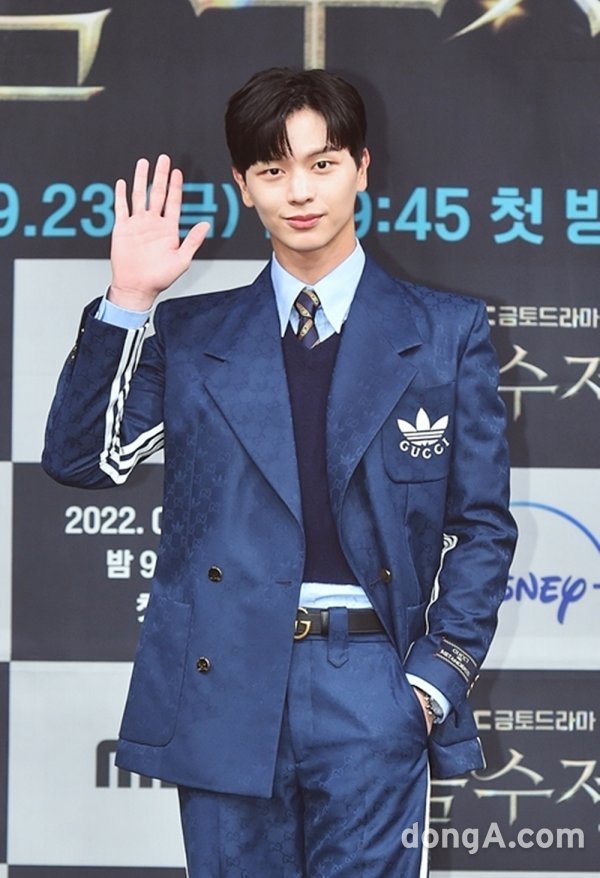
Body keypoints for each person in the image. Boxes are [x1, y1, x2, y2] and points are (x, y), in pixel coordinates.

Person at [43, 67, 517, 877]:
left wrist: (433, 682)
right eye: (272, 169)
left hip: (373, 681)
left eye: (322, 164)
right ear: (243, 185)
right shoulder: (194, 334)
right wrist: (127, 300)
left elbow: (481, 528)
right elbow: (83, 459)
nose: (299, 191)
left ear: (361, 168)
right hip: (225, 677)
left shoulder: (445, 332)